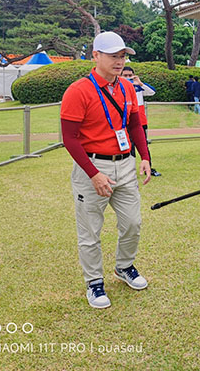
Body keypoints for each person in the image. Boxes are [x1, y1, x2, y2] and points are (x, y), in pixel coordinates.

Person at [60, 31, 151, 309]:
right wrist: (93, 174)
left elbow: (134, 125)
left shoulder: (125, 87)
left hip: (124, 164)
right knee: (90, 231)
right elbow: (70, 138)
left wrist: (145, 156)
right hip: (93, 166)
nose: (120, 61)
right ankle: (94, 283)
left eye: (123, 55)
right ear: (96, 56)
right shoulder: (78, 90)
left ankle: (124, 267)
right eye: (114, 55)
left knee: (133, 223)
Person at [121, 66, 161, 177]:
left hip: (141, 122)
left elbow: (152, 92)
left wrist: (140, 83)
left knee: (143, 145)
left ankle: (148, 167)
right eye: (125, 75)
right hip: (125, 123)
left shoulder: (138, 88)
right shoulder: (118, 88)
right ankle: (129, 171)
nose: (128, 78)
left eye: (130, 75)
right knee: (128, 147)